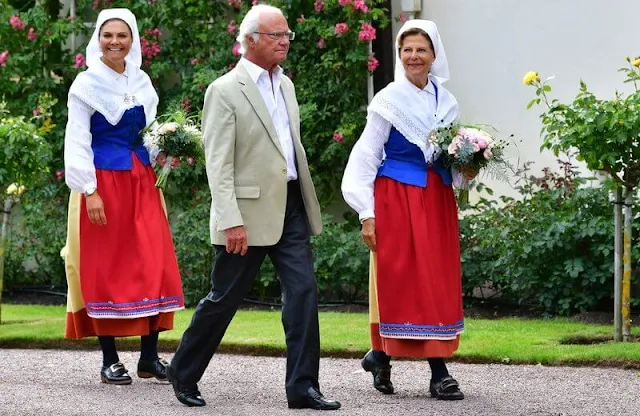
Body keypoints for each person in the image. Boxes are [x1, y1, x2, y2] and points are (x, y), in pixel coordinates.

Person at [166, 4, 340, 411]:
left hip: (291, 206)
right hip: (244, 215)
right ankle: (183, 370)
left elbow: (286, 150)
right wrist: (231, 220)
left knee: (303, 292)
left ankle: (302, 387)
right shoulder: (224, 90)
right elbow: (218, 163)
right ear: (250, 41)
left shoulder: (287, 85)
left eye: (287, 35)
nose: (284, 41)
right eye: (276, 35)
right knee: (224, 298)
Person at [341, 19, 476, 400]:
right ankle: (439, 373)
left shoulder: (447, 102)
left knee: (435, 276)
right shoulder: (388, 99)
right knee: (403, 277)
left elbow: (451, 158)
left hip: (436, 198)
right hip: (397, 197)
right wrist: (366, 212)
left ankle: (380, 355)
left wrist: (470, 165)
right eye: (407, 50)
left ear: (434, 55)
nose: (414, 56)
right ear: (399, 55)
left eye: (421, 50)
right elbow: (366, 156)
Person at [62, 8, 184, 386]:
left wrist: (164, 151)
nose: (115, 42)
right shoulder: (85, 84)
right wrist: (90, 191)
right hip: (104, 183)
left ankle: (149, 358)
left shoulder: (143, 81)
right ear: (98, 39)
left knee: (153, 261)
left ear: (133, 40)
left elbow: (147, 134)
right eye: (107, 35)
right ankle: (109, 359)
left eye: (122, 35)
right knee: (107, 266)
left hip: (142, 181)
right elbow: (78, 139)